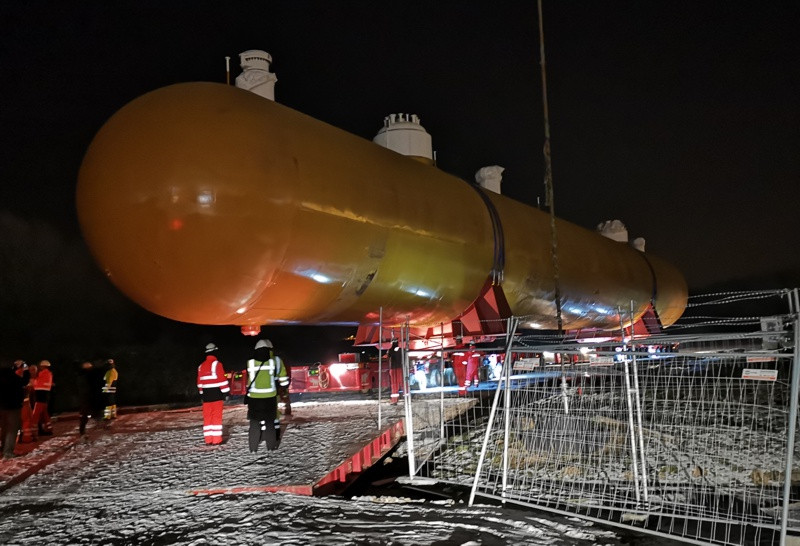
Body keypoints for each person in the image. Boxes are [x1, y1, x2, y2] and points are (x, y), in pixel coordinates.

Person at [246, 339, 289, 452]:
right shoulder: (274, 361)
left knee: (254, 424)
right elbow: (283, 380)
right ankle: (271, 447)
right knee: (270, 422)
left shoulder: (250, 362)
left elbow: (249, 381)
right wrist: (284, 388)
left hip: (254, 398)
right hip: (270, 396)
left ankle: (253, 448)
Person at [196, 343, 230, 445]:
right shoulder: (217, 364)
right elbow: (222, 380)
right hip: (216, 394)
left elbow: (199, 382)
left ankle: (208, 440)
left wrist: (201, 393)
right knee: (216, 417)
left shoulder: (201, 366)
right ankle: (216, 440)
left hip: (206, 395)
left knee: (207, 417)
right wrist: (226, 392)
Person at [1, 360, 31, 459]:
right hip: (13, 408)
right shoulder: (15, 379)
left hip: (1, 408)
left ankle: (3, 449)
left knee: (4, 429)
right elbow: (25, 381)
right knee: (11, 430)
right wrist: (25, 366)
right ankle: (8, 452)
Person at [77, 361, 105, 436]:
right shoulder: (89, 377)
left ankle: (82, 430)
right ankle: (83, 430)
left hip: (86, 398)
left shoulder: (82, 376)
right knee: (91, 414)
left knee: (85, 415)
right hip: (88, 398)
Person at [31, 359, 54, 435]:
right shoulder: (49, 374)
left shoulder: (42, 373)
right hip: (46, 394)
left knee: (36, 414)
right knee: (44, 413)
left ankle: (33, 432)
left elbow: (35, 382)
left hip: (40, 394)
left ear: (43, 366)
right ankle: (49, 429)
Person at [13, 360, 34, 443]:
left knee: (19, 421)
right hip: (24, 401)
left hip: (16, 402)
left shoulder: (12, 376)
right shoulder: (22, 375)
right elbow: (27, 385)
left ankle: (22, 437)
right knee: (26, 420)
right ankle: (27, 437)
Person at [388, 340, 404, 404]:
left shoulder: (391, 350)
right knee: (403, 383)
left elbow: (389, 356)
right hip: (400, 368)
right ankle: (407, 398)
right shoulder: (400, 350)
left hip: (393, 368)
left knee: (394, 385)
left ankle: (394, 400)